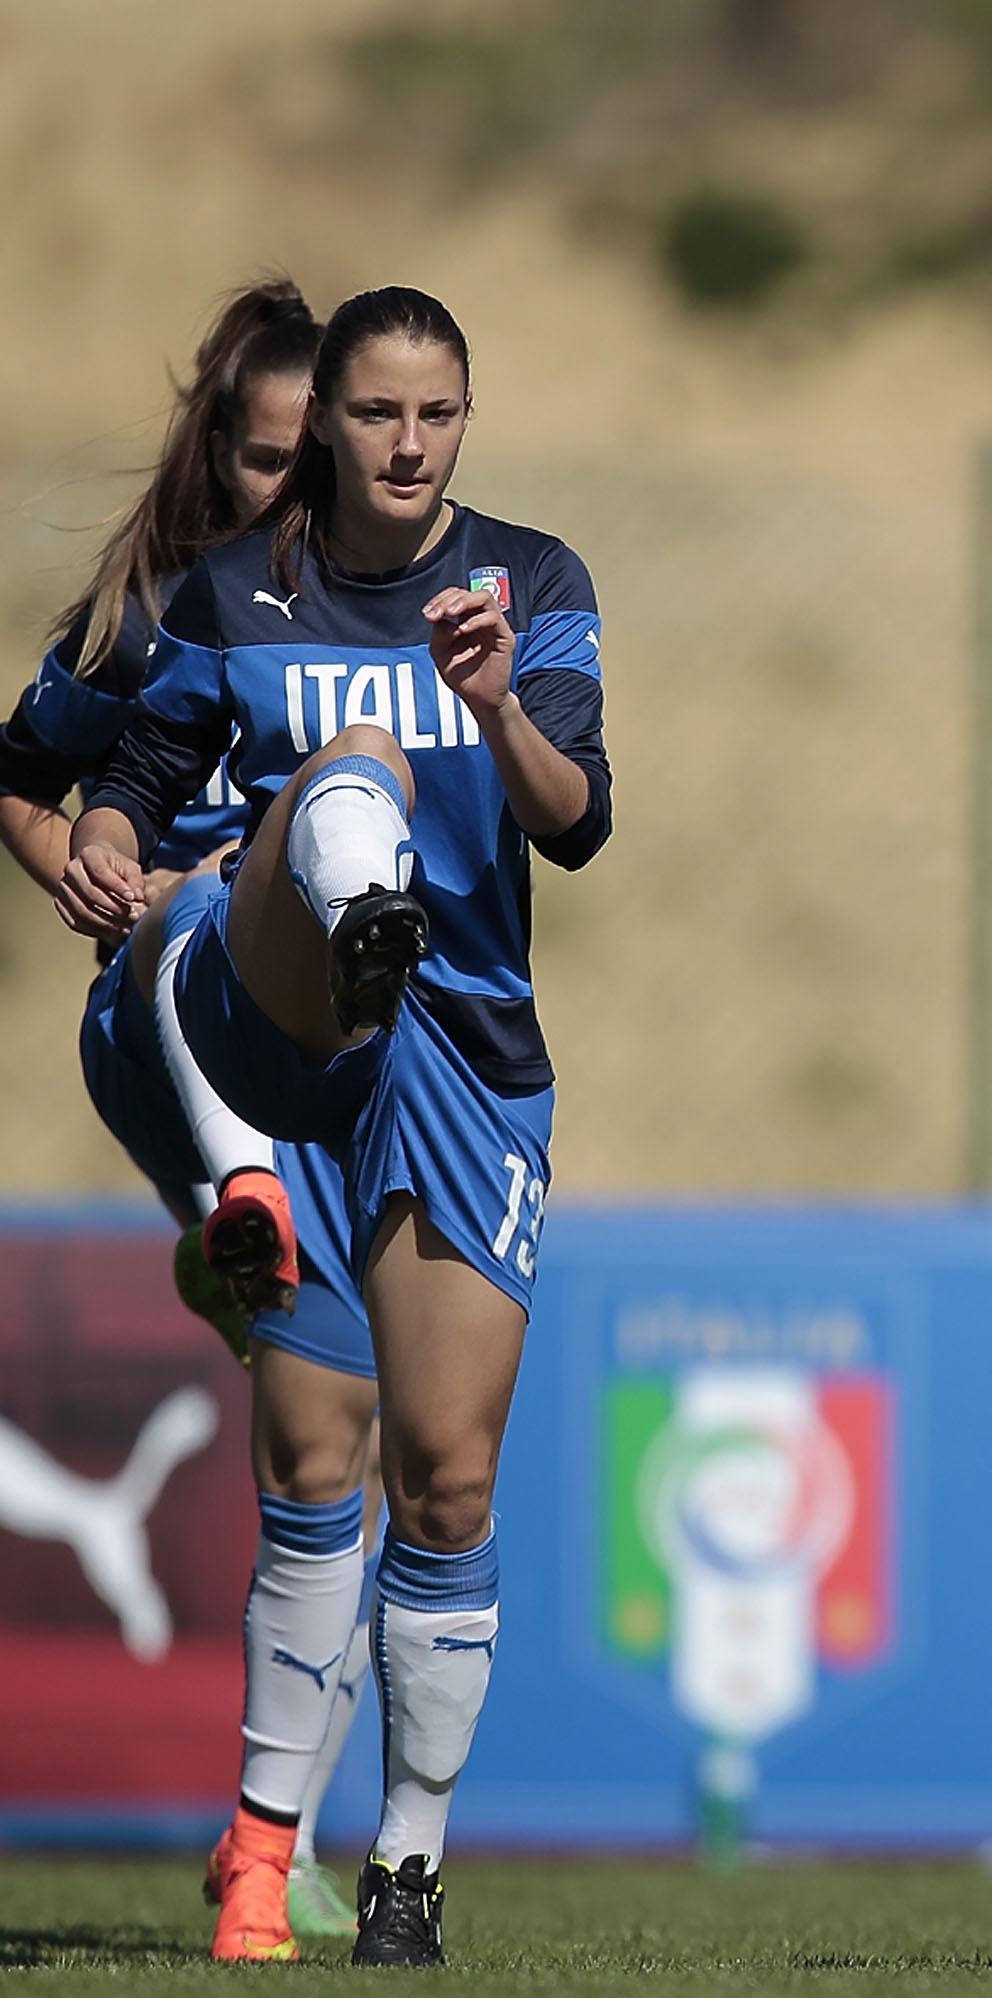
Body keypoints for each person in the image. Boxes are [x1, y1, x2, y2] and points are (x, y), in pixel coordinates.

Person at [63, 285, 614, 1969]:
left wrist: (505, 700)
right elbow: (132, 776)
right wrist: (96, 831)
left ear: (466, 420)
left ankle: (409, 1864)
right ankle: (254, 1853)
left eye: (435, 414)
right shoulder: (236, 589)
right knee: (316, 1460)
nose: (403, 442)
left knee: (442, 1480)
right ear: (331, 424)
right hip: (291, 1022)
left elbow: (578, 823)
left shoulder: (533, 581)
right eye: (375, 413)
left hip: (461, 1049)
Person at [0, 278, 379, 1959]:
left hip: (342, 1062)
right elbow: (20, 772)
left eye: (319, 459)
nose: (290, 491)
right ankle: (231, 1204)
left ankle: (270, 1833)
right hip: (169, 1019)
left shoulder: (392, 618)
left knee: (338, 1454)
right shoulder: (162, 616)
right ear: (216, 450)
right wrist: (75, 852)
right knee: (202, 900)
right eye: (265, 456)